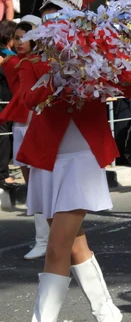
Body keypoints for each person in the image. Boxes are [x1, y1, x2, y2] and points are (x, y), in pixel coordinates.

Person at [22, 0, 122, 321]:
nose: (53, 23)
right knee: (74, 244)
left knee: (56, 247)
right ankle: (106, 310)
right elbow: (28, 100)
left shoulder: (95, 59)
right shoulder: (33, 63)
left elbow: (118, 87)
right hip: (47, 161)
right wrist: (56, 75)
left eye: (61, 17)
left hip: (82, 160)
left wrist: (83, 67)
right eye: (48, 16)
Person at [0, 15, 48, 260]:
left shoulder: (44, 64)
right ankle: (42, 238)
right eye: (16, 38)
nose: (19, 43)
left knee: (43, 184)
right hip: (21, 125)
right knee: (33, 186)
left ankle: (50, 238)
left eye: (25, 38)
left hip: (40, 124)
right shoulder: (11, 63)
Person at [0, 20, 17, 196]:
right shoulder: (5, 55)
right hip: (3, 101)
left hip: (8, 101)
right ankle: (2, 175)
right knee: (3, 137)